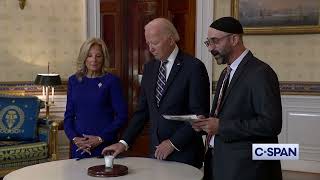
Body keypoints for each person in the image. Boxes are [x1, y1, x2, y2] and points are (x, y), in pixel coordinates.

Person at [102, 18, 210, 168]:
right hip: (156, 154)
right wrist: (123, 143)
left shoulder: (193, 67)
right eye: (148, 43)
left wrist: (173, 143)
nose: (150, 49)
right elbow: (142, 112)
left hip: (185, 154)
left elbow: (199, 115)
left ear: (171, 40)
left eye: (155, 43)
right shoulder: (150, 68)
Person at [192, 17, 283, 180]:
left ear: (234, 39)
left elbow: (271, 124)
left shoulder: (260, 73)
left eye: (215, 41)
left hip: (247, 169)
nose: (211, 48)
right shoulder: (225, 73)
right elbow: (226, 115)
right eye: (208, 42)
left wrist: (221, 127)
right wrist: (205, 124)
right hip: (219, 163)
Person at [64, 38, 128, 159]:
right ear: (84, 58)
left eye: (98, 56)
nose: (94, 60)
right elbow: (68, 116)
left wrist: (100, 138)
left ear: (104, 58)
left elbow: (122, 116)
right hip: (80, 147)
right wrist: (74, 138)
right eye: (89, 56)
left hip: (104, 145)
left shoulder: (112, 81)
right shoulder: (73, 81)